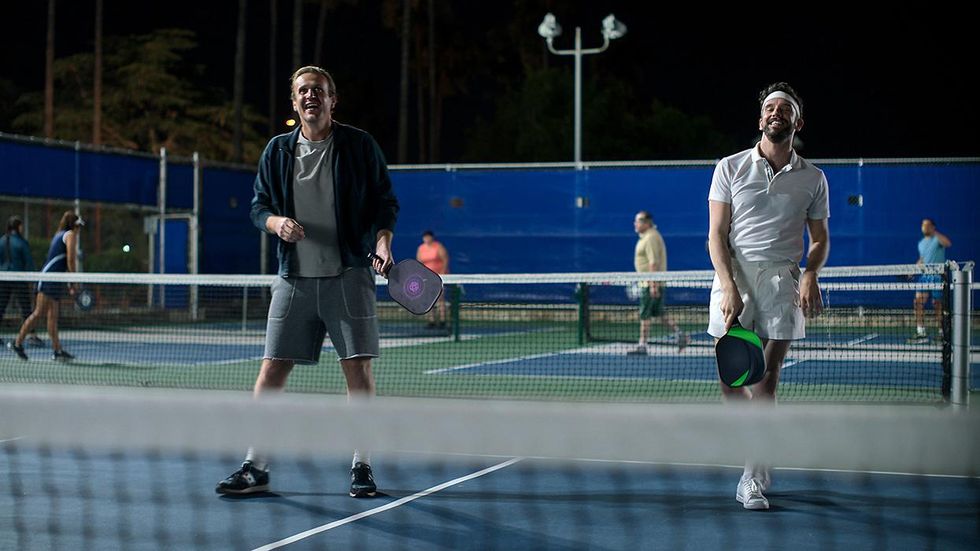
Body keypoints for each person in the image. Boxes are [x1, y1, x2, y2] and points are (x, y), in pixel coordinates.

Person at [216, 66, 398, 498]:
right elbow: (258, 207)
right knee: (271, 371)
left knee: (357, 371)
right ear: (294, 102)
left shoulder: (359, 145)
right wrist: (276, 223)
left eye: (318, 90)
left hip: (349, 275)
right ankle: (256, 465)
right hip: (293, 278)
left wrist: (383, 243)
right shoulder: (278, 150)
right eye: (303, 90)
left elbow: (384, 202)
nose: (310, 95)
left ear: (333, 100)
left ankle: (362, 464)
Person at [706, 83, 830, 510]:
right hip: (735, 276)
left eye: (784, 108)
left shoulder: (814, 178)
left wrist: (810, 273)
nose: (776, 112)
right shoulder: (730, 166)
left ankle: (751, 474)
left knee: (766, 378)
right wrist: (728, 286)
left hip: (782, 280)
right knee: (730, 381)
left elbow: (819, 239)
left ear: (798, 122)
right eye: (769, 108)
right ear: (761, 119)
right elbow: (716, 234)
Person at [7, 211, 82, 361]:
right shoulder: (70, 235)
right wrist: (73, 280)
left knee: (52, 317)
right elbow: (71, 260)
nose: (79, 229)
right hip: (48, 280)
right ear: (74, 225)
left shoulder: (59, 235)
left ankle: (57, 350)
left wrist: (68, 280)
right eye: (78, 226)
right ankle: (17, 343)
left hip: (54, 280)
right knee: (38, 313)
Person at [627, 211, 688, 355]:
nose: (635, 224)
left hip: (650, 284)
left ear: (647, 222)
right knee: (659, 314)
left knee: (645, 314)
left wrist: (653, 285)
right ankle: (681, 335)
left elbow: (653, 263)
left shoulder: (651, 237)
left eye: (638, 221)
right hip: (648, 283)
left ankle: (642, 345)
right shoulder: (646, 237)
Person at [0, 216, 44, 347]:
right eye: (21, 225)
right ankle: (32, 335)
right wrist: (33, 278)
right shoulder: (21, 242)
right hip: (19, 279)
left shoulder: (1, 241)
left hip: (3, 278)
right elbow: (29, 262)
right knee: (25, 307)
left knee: (1, 306)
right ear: (18, 227)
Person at [911, 218, 951, 343]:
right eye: (923, 225)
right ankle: (921, 332)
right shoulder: (921, 243)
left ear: (933, 227)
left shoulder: (937, 239)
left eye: (927, 225)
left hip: (938, 276)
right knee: (917, 302)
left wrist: (935, 233)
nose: (925, 227)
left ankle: (942, 333)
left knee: (937, 304)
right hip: (925, 276)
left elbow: (948, 243)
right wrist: (912, 271)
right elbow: (922, 259)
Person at [415, 230, 449, 328]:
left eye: (428, 237)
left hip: (439, 277)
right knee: (429, 299)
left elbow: (445, 260)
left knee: (440, 298)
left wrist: (442, 274)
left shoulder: (438, 247)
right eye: (425, 237)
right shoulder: (421, 248)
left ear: (432, 238)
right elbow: (419, 262)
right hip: (427, 278)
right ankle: (431, 321)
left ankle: (442, 321)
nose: (427, 239)